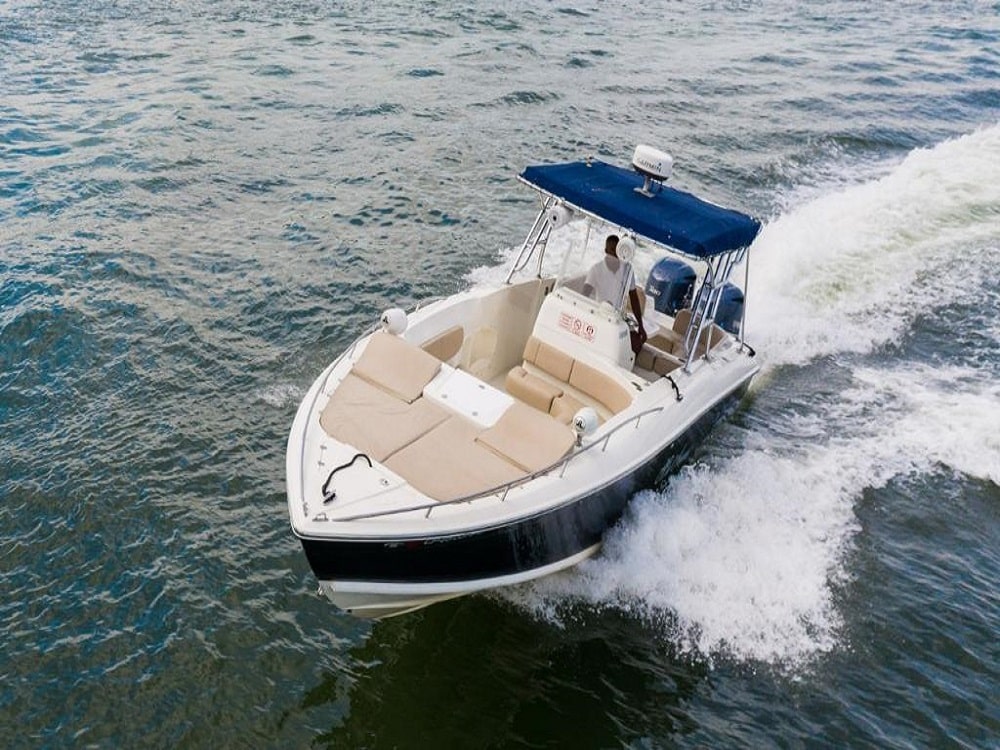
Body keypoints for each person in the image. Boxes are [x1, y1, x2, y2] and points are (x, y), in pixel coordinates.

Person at [582, 234, 647, 353]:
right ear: (605, 250)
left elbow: (634, 298)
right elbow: (584, 295)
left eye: (615, 250)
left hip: (617, 318)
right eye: (611, 250)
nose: (613, 253)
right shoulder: (596, 269)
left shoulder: (628, 270)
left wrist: (641, 325)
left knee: (637, 342)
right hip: (599, 314)